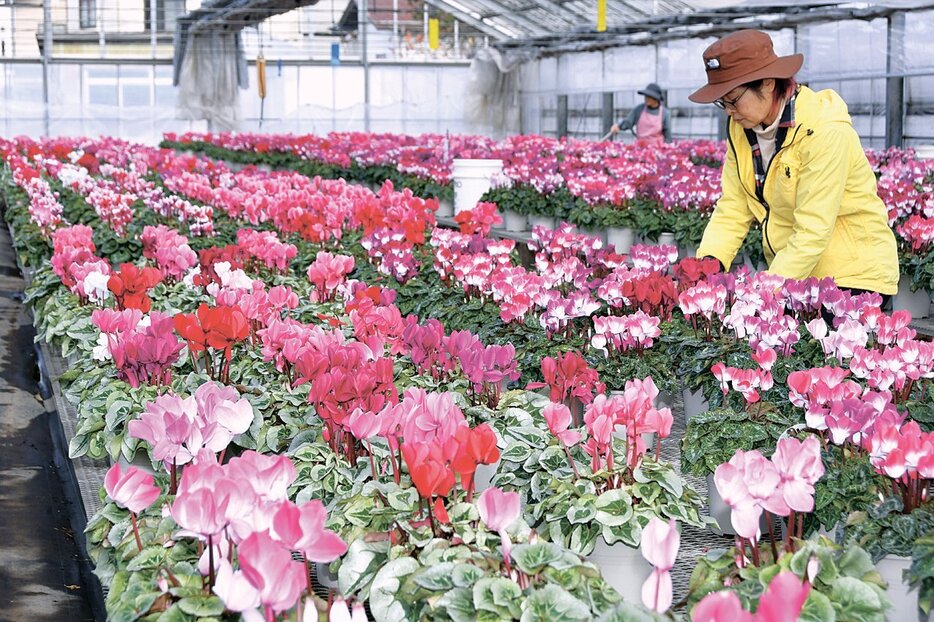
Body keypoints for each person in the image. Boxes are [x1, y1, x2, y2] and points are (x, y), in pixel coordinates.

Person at [689, 29, 898, 304]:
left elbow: (813, 229)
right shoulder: (741, 128)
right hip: (794, 275)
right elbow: (734, 205)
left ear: (766, 83)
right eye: (721, 102)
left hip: (852, 279)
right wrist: (709, 264)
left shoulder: (823, 130)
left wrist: (764, 292)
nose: (728, 111)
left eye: (733, 99)